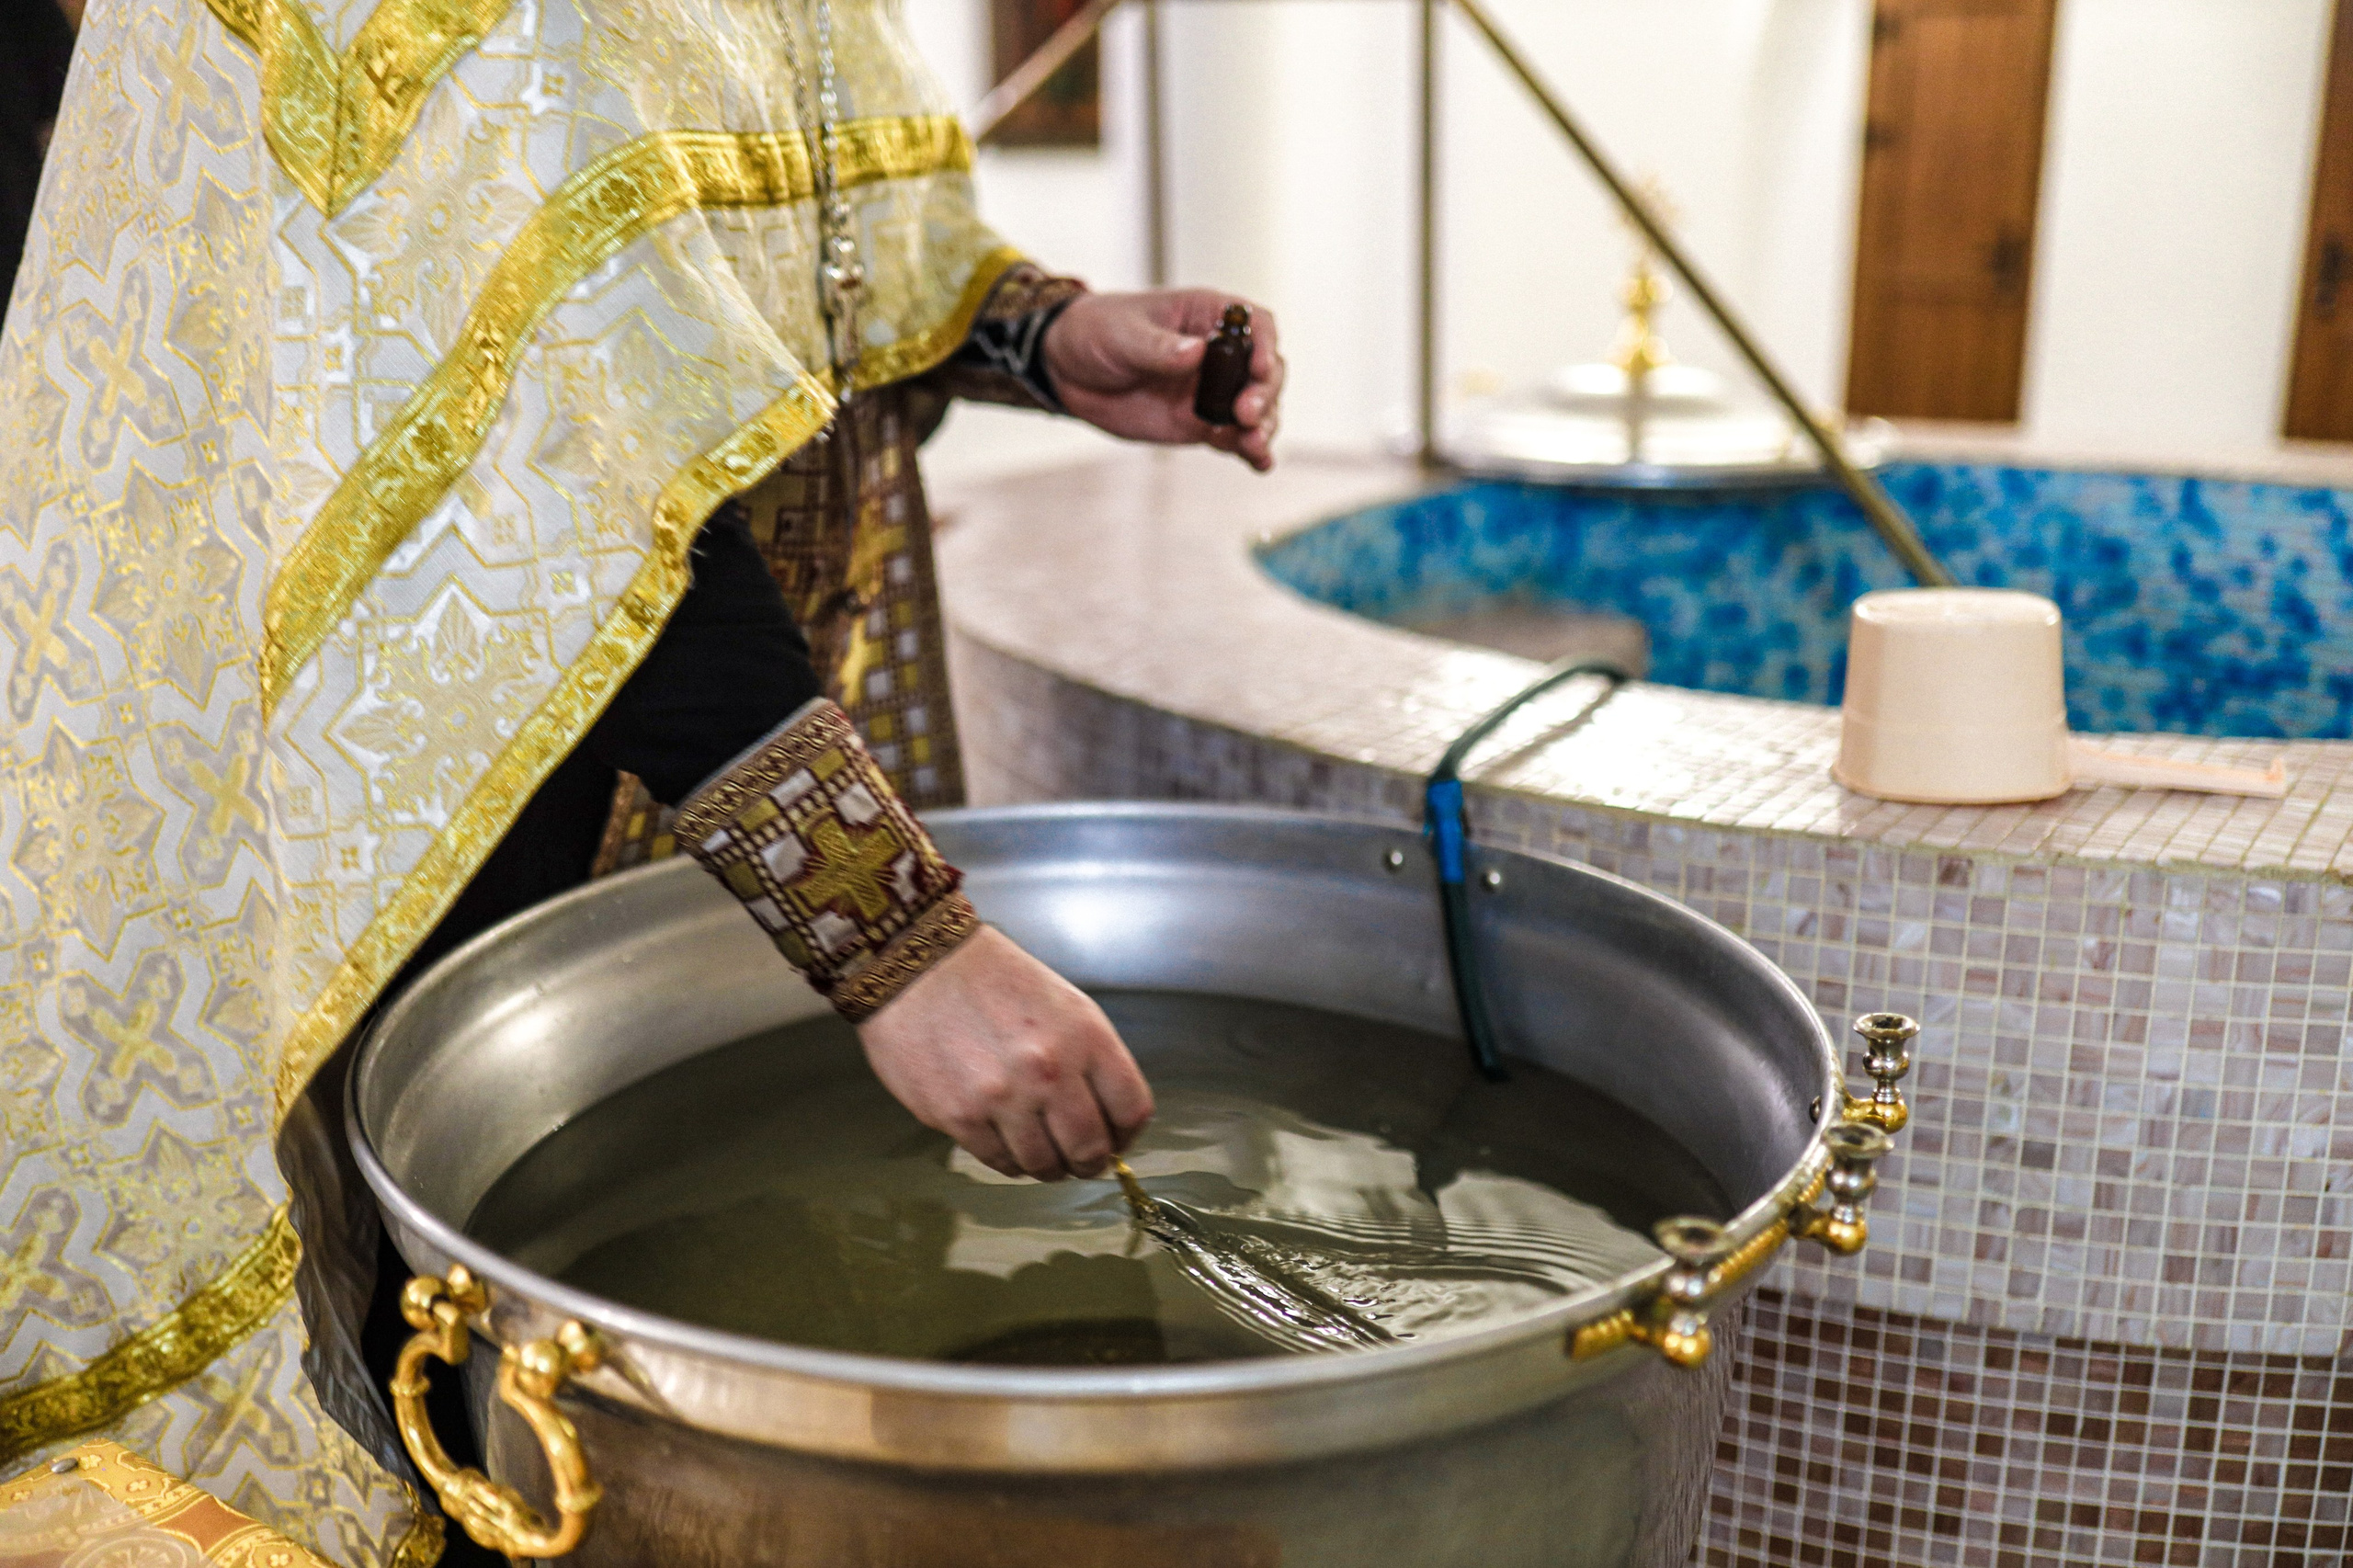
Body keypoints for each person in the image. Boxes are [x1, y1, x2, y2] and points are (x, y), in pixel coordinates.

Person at [0, 0, 1283, 1560]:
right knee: (433, 1350)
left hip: (664, 745)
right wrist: (894, 936)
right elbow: (538, 412)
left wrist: (1029, 332)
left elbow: (747, 206)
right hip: (381, 753)